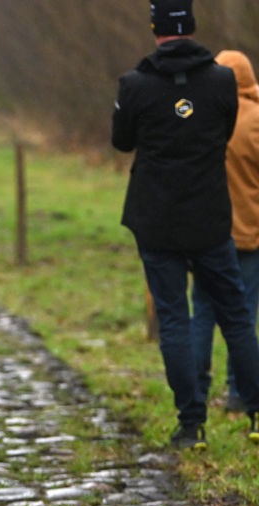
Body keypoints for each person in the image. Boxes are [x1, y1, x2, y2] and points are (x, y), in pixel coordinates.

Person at [112, 0, 259, 449]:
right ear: (192, 27)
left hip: (157, 221)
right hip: (211, 219)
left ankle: (191, 424)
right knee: (236, 316)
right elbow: (223, 128)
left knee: (175, 318)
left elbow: (121, 142)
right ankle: (256, 412)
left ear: (155, 28)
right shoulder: (222, 81)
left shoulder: (134, 84)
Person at [191, 50, 259, 413]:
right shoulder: (256, 120)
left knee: (201, 312)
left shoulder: (201, 117)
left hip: (206, 235)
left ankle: (197, 393)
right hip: (249, 234)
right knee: (244, 315)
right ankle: (240, 393)